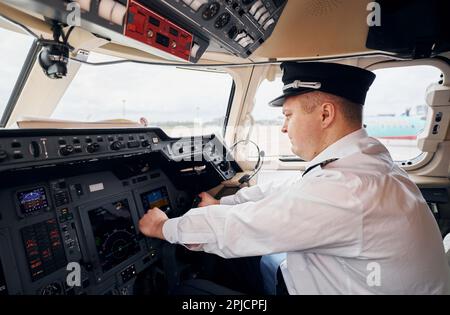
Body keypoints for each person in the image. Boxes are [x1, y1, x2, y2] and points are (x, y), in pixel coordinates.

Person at [139, 61, 450, 294]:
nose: (284, 128)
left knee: (189, 293)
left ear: (326, 115)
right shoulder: (366, 161)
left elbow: (235, 228)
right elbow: (291, 190)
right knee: (249, 258)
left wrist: (164, 227)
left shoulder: (346, 188)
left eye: (288, 115)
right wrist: (225, 201)